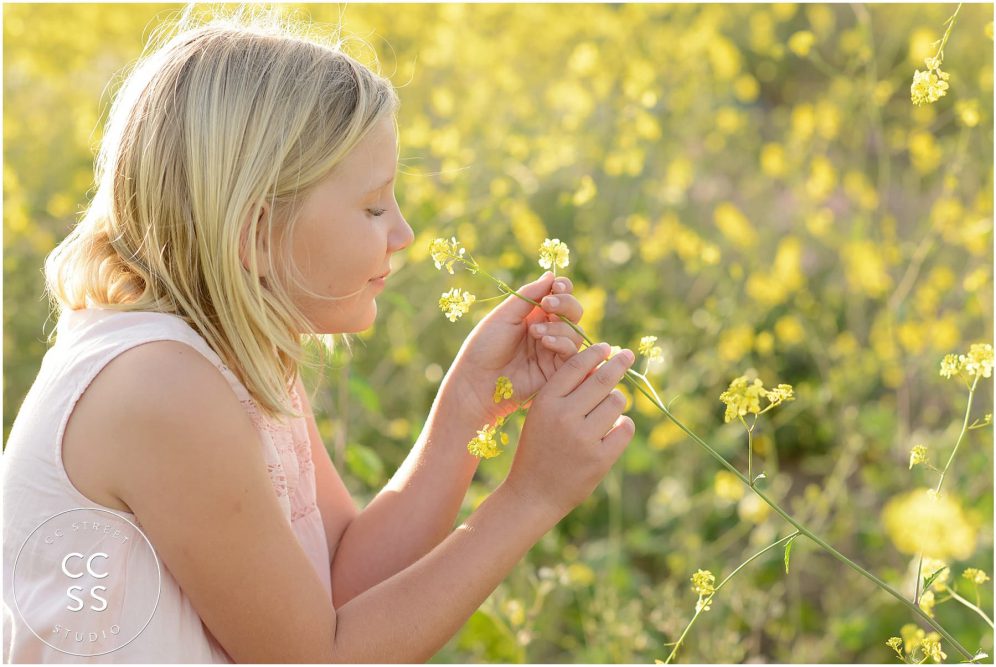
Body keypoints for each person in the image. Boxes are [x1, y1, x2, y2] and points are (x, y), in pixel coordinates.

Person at [2, 8, 636, 663]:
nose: (404, 233)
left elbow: (336, 582)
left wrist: (467, 409)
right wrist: (529, 498)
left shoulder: (234, 354)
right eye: (373, 206)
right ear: (254, 233)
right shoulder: (161, 388)